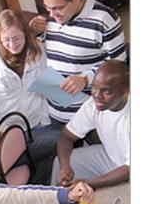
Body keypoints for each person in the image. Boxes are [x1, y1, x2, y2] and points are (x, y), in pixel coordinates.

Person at [29, 0, 127, 130]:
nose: (52, 15)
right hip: (55, 113)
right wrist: (37, 32)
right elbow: (59, 47)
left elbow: (119, 67)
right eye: (47, 8)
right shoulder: (54, 17)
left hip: (89, 118)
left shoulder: (105, 19)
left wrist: (85, 79)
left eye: (57, 8)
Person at [0, 9, 60, 184]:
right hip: (10, 134)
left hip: (38, 125)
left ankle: (41, 185)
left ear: (25, 33)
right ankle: (39, 186)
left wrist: (47, 121)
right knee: (57, 144)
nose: (12, 44)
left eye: (16, 38)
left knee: (60, 141)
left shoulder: (38, 51)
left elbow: (50, 89)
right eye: (6, 39)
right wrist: (1, 139)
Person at [51, 60, 130, 190]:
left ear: (125, 91)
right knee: (61, 162)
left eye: (106, 91)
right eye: (94, 87)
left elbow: (129, 169)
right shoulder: (93, 104)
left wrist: (90, 183)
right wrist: (65, 167)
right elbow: (66, 136)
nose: (97, 95)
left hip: (128, 169)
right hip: (110, 157)